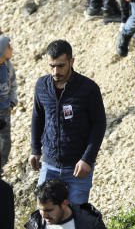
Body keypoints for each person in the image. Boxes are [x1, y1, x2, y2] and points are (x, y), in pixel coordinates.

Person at [29, 40, 106, 204]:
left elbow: (99, 125)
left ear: (71, 61)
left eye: (61, 66)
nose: (56, 71)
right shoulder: (41, 86)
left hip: (78, 169)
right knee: (43, 219)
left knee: (77, 219)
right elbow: (38, 116)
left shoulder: (88, 88)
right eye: (52, 66)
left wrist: (88, 159)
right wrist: (35, 149)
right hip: (49, 166)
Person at [20, 179, 117, 229]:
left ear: (64, 203)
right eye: (41, 209)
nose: (43, 215)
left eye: (49, 210)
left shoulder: (89, 226)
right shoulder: (34, 224)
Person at [0, 36, 13, 176]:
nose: (12, 49)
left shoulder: (7, 67)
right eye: (9, 47)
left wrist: (12, 102)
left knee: (5, 142)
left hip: (5, 110)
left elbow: (12, 86)